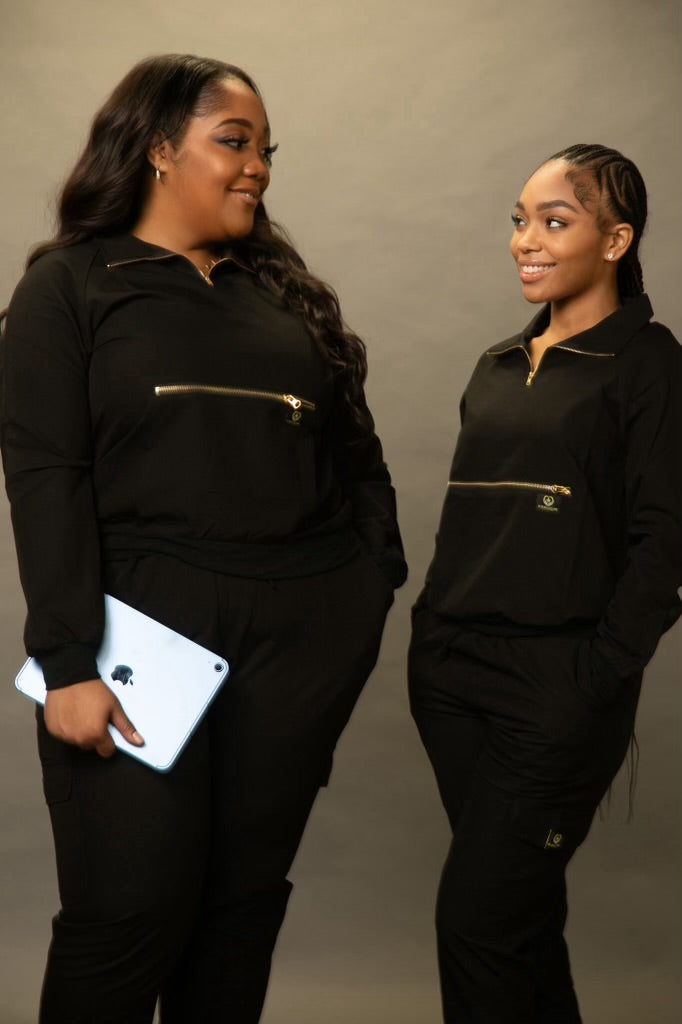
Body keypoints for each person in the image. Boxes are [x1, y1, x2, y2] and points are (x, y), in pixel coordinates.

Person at [0, 54, 406, 1024]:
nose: (257, 165)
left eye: (266, 149)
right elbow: (46, 477)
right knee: (126, 916)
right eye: (233, 141)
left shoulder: (286, 300)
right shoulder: (71, 287)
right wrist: (66, 661)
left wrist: (360, 598)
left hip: (295, 652)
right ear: (156, 148)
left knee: (238, 918)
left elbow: (360, 468)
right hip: (137, 645)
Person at [408, 144, 682, 1023]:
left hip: (557, 688)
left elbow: (666, 540)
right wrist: (429, 635)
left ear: (616, 241)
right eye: (520, 220)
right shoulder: (496, 363)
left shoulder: (648, 363)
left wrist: (595, 676)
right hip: (452, 678)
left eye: (554, 222)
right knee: (519, 922)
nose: (526, 240)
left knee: (478, 920)